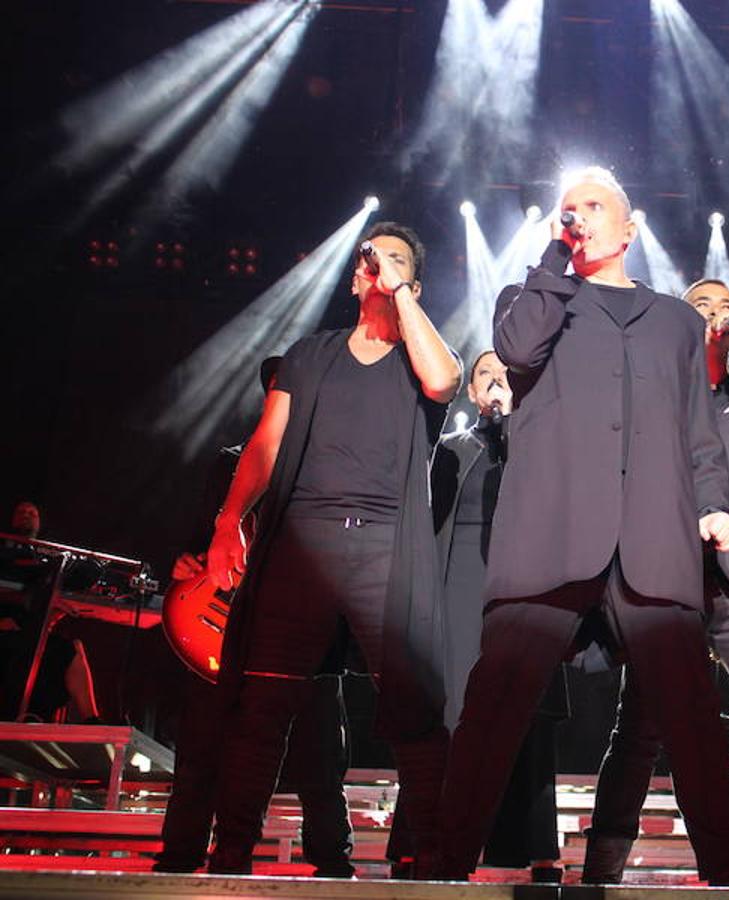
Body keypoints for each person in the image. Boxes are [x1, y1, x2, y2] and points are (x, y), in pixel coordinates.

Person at [436, 167, 729, 884]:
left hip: (655, 547)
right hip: (548, 535)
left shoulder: (676, 321)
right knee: (493, 713)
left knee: (692, 726)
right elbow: (515, 352)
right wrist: (552, 259)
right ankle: (443, 875)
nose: (579, 215)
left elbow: (698, 430)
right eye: (568, 207)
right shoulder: (534, 298)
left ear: (630, 228)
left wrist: (715, 501)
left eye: (595, 205)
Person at [203, 221, 462, 875]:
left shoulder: (418, 355)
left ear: (413, 281)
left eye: (393, 257)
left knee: (413, 708)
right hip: (303, 546)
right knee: (263, 705)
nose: (374, 262)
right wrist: (229, 518)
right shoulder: (311, 353)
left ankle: (432, 854)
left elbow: (443, 381)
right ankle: (231, 855)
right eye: (369, 255)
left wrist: (402, 295)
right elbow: (266, 443)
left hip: (384, 547)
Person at [583, 279, 729, 886]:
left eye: (724, 304)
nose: (713, 312)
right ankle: (600, 872)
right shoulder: (655, 391)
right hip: (668, 576)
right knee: (639, 728)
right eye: (700, 305)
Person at [154, 357, 353, 877]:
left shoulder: (332, 462)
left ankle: (332, 861)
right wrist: (186, 558)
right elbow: (199, 534)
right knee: (201, 744)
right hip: (228, 622)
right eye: (276, 389)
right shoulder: (230, 462)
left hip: (304, 622)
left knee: (319, 752)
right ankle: (181, 854)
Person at [417, 349, 566, 882]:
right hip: (462, 593)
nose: (498, 384)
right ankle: (440, 845)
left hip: (525, 599)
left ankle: (527, 850)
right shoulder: (453, 450)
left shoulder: (546, 448)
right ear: (474, 393)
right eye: (487, 376)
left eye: (507, 376)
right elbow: (429, 531)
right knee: (456, 718)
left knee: (525, 719)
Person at [0, 500, 101, 724]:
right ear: (12, 518)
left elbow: (45, 608)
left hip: (30, 634)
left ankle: (92, 722)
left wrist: (53, 613)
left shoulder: (48, 559)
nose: (26, 515)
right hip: (5, 630)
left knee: (72, 649)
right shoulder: (3, 551)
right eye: (21, 511)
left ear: (39, 521)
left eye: (32, 513)